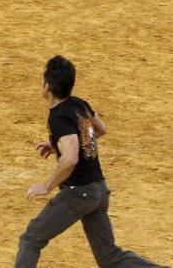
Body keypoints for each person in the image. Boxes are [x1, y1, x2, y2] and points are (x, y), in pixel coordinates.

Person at [15, 56, 164, 268]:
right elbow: (99, 129)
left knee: (30, 239)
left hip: (79, 194)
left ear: (47, 86)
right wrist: (57, 143)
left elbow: (70, 159)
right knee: (109, 256)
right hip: (99, 190)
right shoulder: (78, 104)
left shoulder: (58, 118)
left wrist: (47, 185)